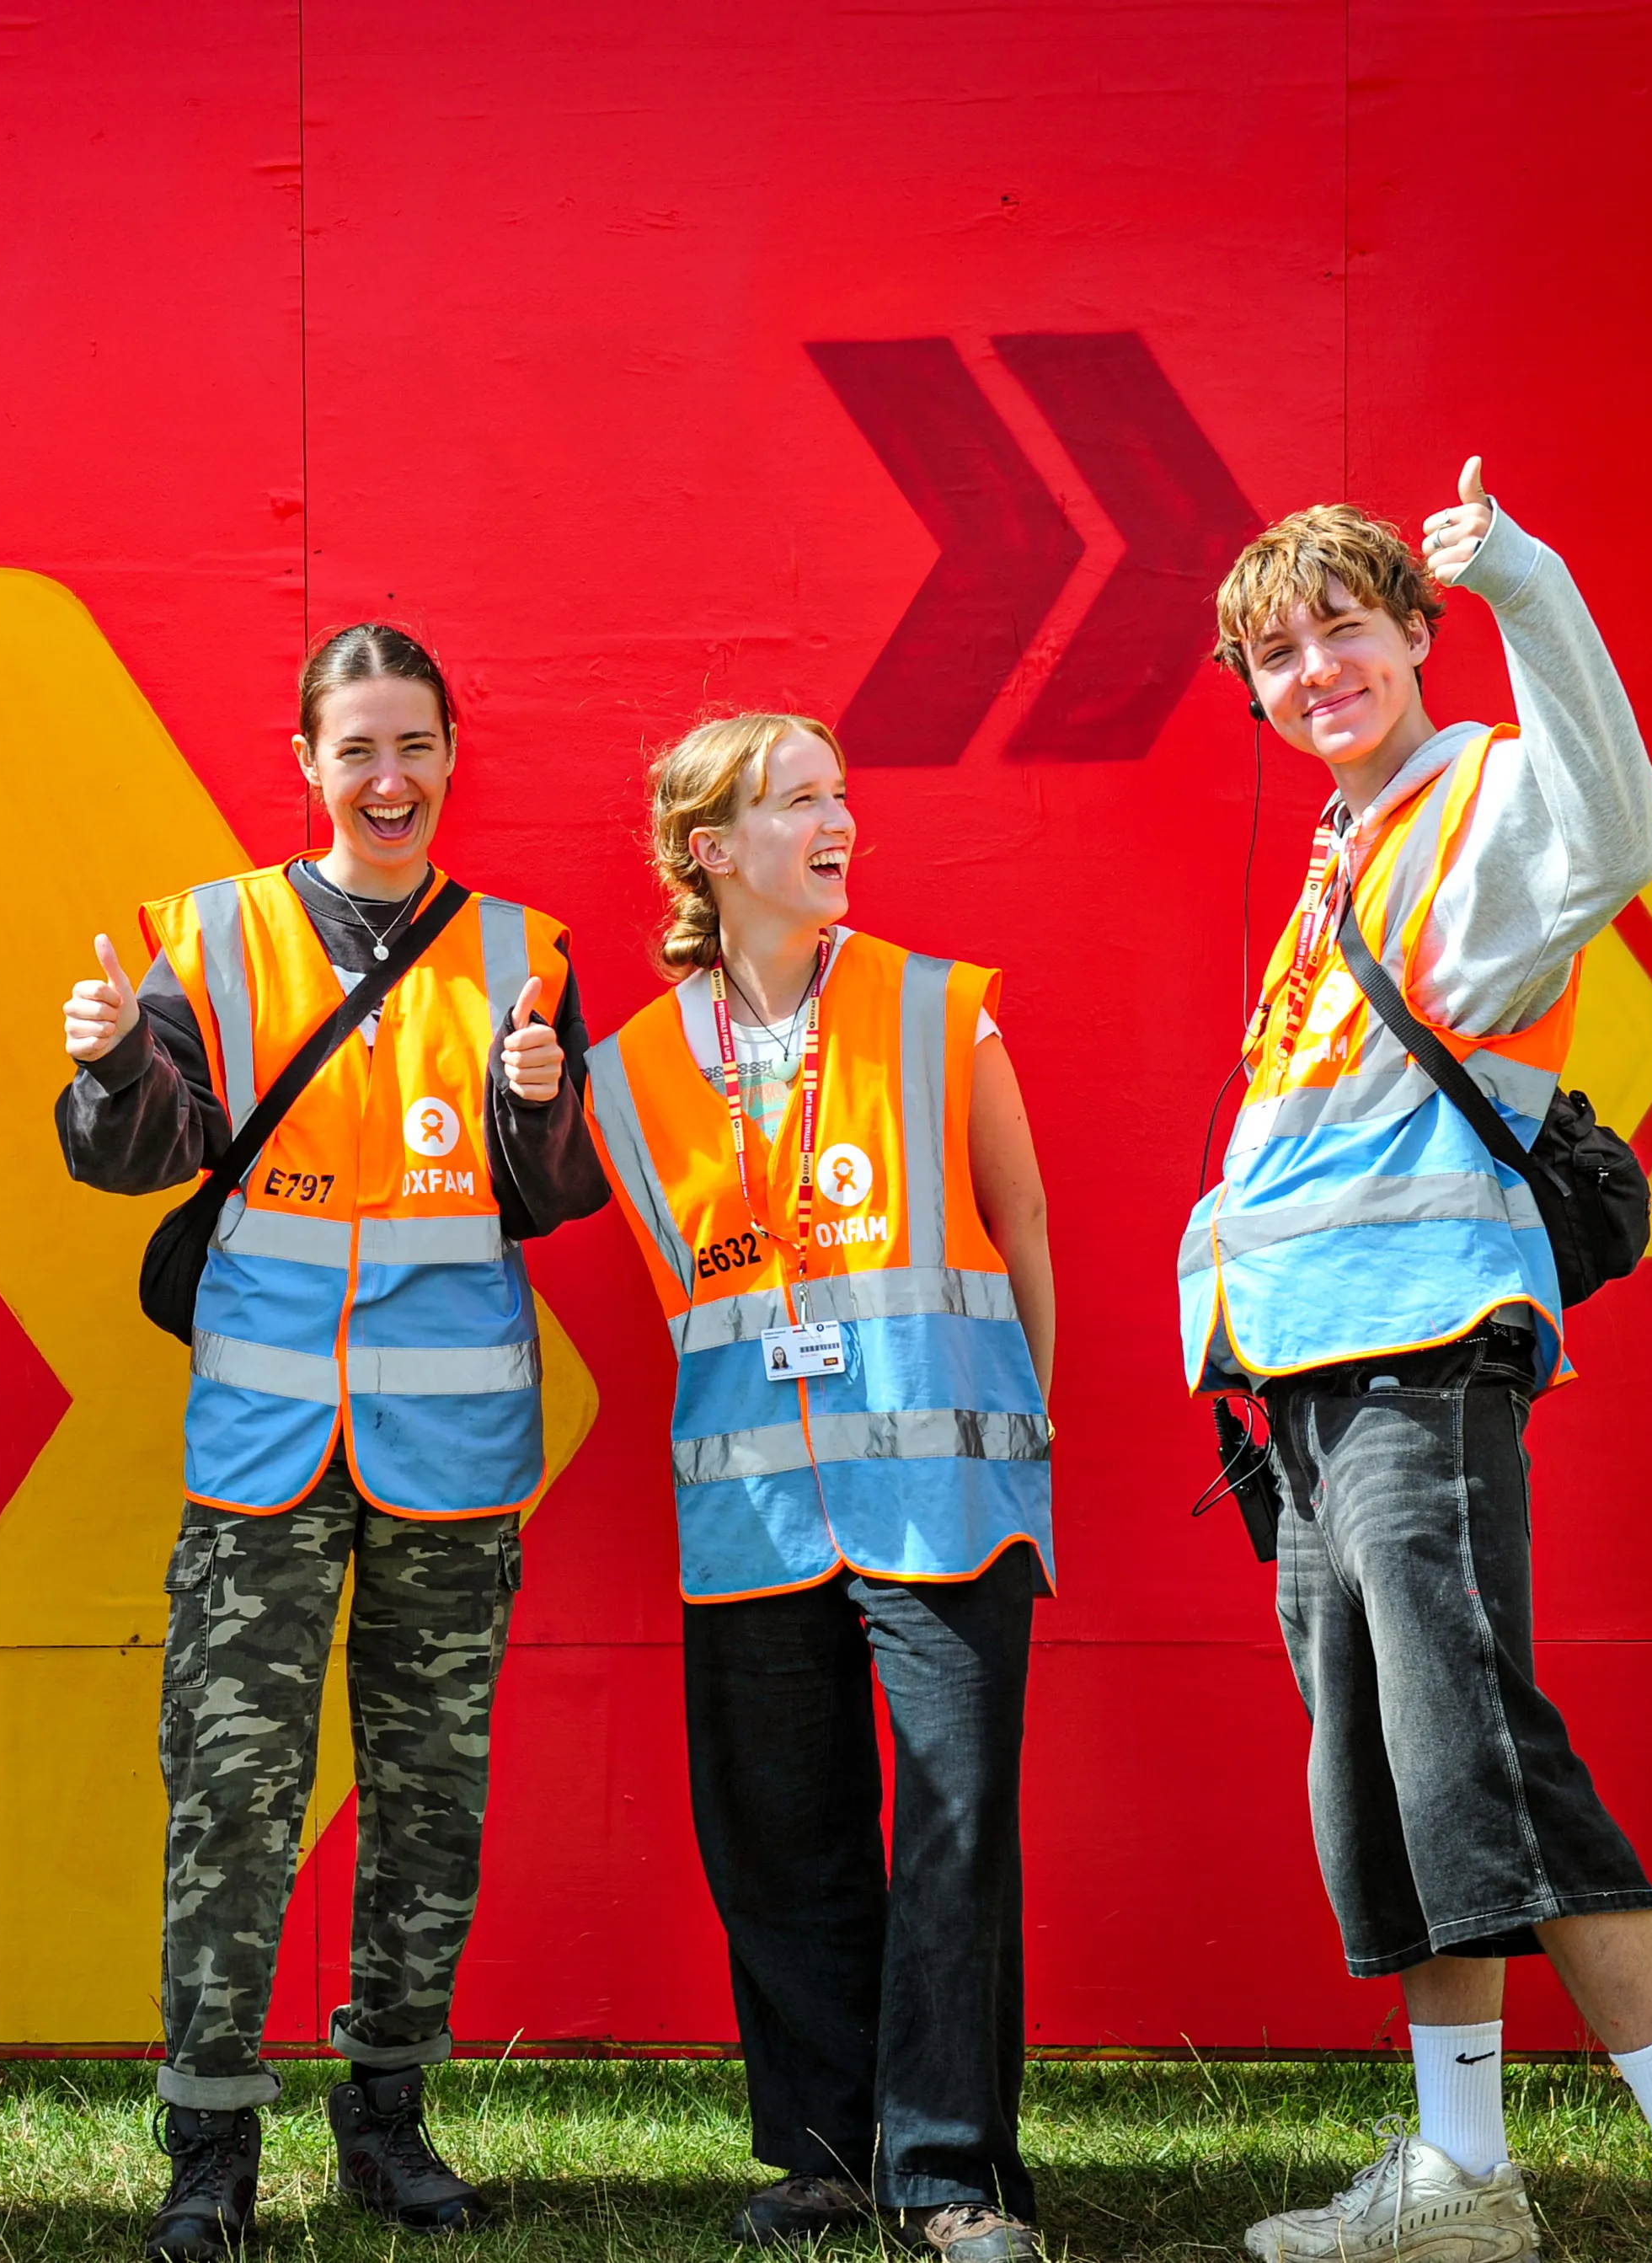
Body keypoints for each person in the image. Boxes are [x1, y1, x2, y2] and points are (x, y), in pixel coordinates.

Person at [1189, 463, 1652, 2263]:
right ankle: (1460, 2173)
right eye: (1278, 653)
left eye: (1344, 633)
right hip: (1298, 1377)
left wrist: (1526, 583)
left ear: (1413, 638)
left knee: (1477, 1756)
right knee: (1383, 1770)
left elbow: (1615, 828)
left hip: (1413, 1360)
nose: (1314, 671)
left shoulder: (1476, 810)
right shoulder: (1345, 849)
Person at [54, 623, 609, 2259]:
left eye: (414, 745)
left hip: (450, 1461)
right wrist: (105, 1062)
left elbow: (549, 1193)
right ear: (303, 757)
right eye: (355, 746)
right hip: (261, 1455)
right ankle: (208, 2150)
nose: (387, 777)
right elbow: (141, 1150)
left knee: (427, 1799)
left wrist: (531, 1100)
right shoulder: (212, 934)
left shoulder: (523, 947)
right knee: (229, 1797)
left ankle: (386, 2120)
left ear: (450, 754)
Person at [580, 714, 1057, 2257]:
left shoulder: (938, 1012)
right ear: (710, 852)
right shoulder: (628, 1069)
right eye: (799, 802)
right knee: (780, 1839)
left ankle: (951, 2169)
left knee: (954, 1823)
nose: (838, 819)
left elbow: (1023, 1234)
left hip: (944, 1495)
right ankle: (818, 2155)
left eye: (842, 792)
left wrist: (1021, 1432)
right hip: (753, 1511)